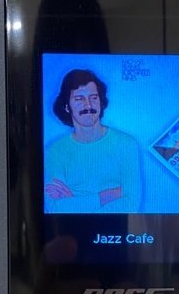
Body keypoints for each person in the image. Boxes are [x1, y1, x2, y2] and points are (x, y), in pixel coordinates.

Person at [44, 69, 142, 213]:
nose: (88, 105)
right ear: (66, 106)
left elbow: (131, 205)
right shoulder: (55, 152)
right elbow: (55, 208)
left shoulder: (126, 144)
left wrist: (75, 202)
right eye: (79, 99)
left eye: (94, 98)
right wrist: (110, 194)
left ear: (101, 102)